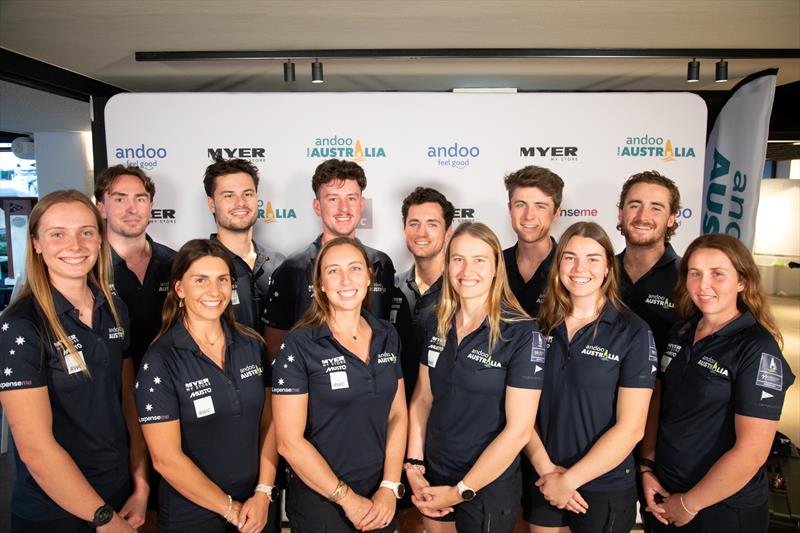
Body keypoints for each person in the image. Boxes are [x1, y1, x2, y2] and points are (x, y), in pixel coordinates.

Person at [0, 190, 145, 532]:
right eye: (57, 234)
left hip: (119, 493)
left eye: (85, 232)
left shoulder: (113, 309)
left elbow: (128, 403)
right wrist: (103, 519)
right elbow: (35, 449)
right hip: (55, 511)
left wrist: (141, 484)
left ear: (99, 238)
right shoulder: (21, 325)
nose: (75, 245)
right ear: (36, 243)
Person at [640, 233, 795, 533]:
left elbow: (752, 453)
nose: (703, 285)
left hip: (721, 509)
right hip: (664, 494)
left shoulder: (757, 349)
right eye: (695, 273)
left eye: (717, 274)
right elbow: (658, 401)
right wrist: (647, 467)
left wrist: (689, 504)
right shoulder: (681, 332)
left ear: (742, 281)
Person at [407, 221, 543, 532]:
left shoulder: (521, 333)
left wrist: (459, 491)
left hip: (487, 486)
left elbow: (519, 431)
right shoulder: (435, 321)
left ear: (496, 266)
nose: (467, 270)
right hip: (434, 473)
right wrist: (414, 465)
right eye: (458, 259)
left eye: (479, 260)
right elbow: (423, 398)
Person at [135, 239, 278, 533]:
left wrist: (263, 493)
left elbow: (270, 422)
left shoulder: (251, 344)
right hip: (194, 513)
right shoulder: (161, 359)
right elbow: (166, 460)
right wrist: (230, 509)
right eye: (200, 280)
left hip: (257, 506)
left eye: (222, 279)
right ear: (179, 288)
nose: (214, 291)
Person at [524, 221, 656, 533]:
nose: (580, 268)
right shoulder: (538, 327)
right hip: (544, 476)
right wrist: (549, 473)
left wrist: (569, 481)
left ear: (609, 267)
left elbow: (632, 428)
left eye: (593, 258)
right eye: (569, 257)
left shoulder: (633, 333)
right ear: (558, 266)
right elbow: (521, 413)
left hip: (603, 486)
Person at [272, 237, 407, 532]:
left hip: (379, 500)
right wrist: (348, 500)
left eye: (355, 268)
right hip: (322, 503)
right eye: (333, 271)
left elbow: (398, 414)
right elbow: (288, 443)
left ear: (369, 277)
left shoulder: (387, 335)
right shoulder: (299, 345)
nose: (346, 280)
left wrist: (389, 485)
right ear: (320, 283)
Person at [96, 164, 176, 531]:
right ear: (102, 206)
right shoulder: (85, 267)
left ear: (151, 205)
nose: (131, 208)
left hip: (172, 410)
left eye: (139, 198)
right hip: (109, 415)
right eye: (120, 199)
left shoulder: (175, 264)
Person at [263, 158, 395, 359]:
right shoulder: (293, 268)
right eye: (333, 199)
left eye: (351, 198)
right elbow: (275, 348)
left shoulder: (381, 263)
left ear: (361, 204)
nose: (343, 208)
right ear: (317, 206)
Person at [204, 157, 284, 331]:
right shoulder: (197, 265)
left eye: (248, 194)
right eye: (229, 195)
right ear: (211, 204)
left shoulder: (279, 263)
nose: (240, 203)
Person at [394, 186, 455, 398]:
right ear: (404, 229)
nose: (421, 233)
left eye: (432, 224)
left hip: (446, 413)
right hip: (394, 410)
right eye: (414, 224)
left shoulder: (463, 290)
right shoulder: (392, 288)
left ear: (448, 232)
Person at [616, 170, 682, 355]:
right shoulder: (599, 272)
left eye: (656, 208)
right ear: (621, 214)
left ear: (671, 219)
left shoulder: (689, 277)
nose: (643, 216)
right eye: (634, 205)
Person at [502, 165, 564, 317]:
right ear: (510, 209)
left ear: (556, 213)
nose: (529, 216)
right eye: (521, 205)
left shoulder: (569, 267)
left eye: (540, 206)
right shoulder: (493, 264)